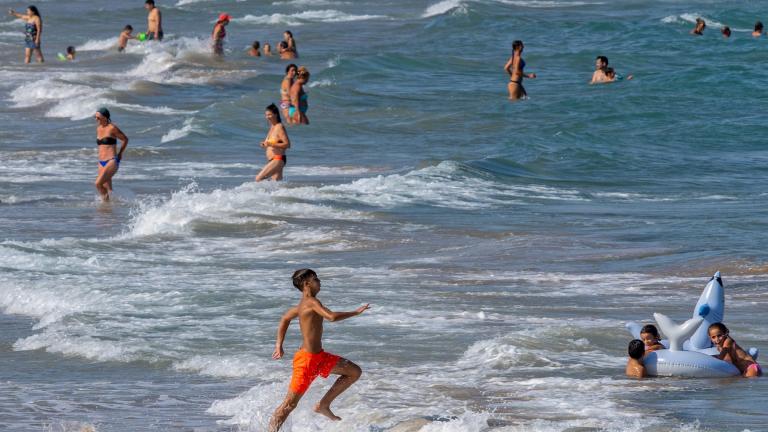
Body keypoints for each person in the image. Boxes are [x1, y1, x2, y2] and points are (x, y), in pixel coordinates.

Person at [268, 269, 369, 432]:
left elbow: (285, 318)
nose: (319, 282)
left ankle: (323, 405)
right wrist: (356, 312)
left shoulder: (302, 305)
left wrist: (279, 345)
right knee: (289, 404)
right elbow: (331, 317)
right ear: (307, 284)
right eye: (316, 279)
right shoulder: (311, 302)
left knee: (354, 372)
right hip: (306, 361)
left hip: (320, 357)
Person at [93, 108, 128, 201]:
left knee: (97, 184)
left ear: (105, 117)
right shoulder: (98, 128)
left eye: (98, 118)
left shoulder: (112, 128)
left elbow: (125, 139)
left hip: (111, 160)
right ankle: (109, 212)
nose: (96, 119)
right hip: (101, 162)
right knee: (109, 190)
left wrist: (120, 153)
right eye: (95, 117)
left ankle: (105, 205)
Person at [255, 104, 290, 182]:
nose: (267, 117)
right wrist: (264, 144)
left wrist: (271, 144)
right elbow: (272, 143)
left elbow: (287, 144)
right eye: (266, 115)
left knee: (258, 179)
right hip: (273, 160)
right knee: (275, 184)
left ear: (276, 114)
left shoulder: (279, 127)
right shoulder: (272, 127)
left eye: (270, 114)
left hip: (278, 159)